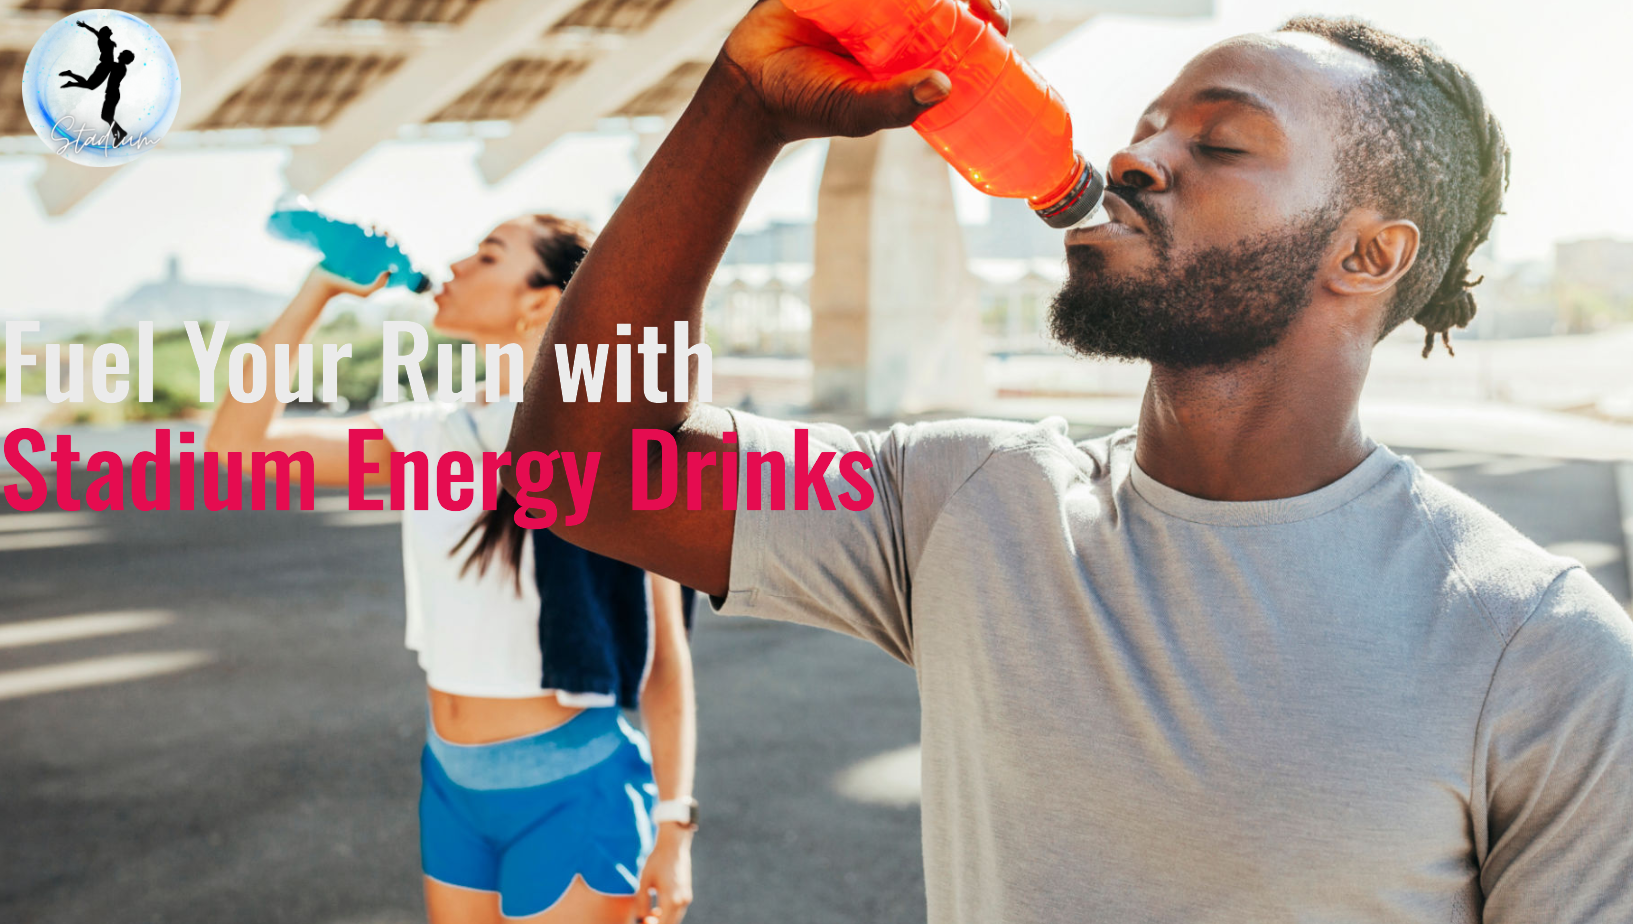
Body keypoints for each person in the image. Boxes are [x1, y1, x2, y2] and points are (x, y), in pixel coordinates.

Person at [505, 3, 1632, 923]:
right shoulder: (966, 502)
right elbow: (588, 473)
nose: (1134, 157)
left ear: (1369, 254)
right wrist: (739, 109)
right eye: (1146, 125)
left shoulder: (1543, 653)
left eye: (1219, 141)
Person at [207, 215, 697, 924]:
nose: (457, 265)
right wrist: (319, 291)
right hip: (452, 782)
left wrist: (675, 824)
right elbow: (235, 450)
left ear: (541, 300)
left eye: (488, 256)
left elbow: (665, 659)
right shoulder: (429, 433)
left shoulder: (615, 445)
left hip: (575, 784)